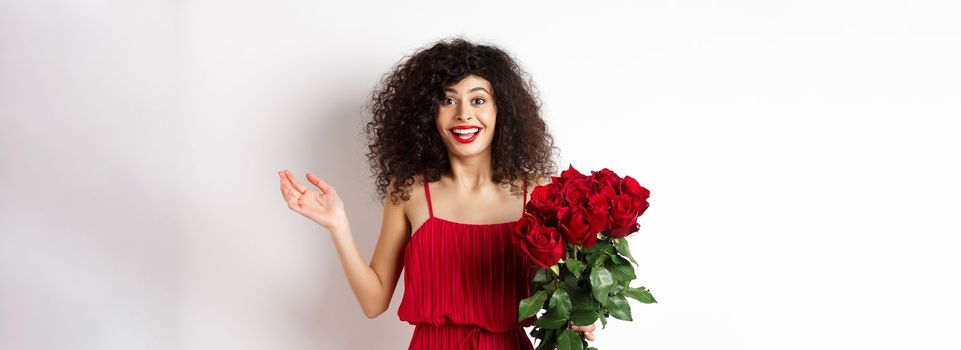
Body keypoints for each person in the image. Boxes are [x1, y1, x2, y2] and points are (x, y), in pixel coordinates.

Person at [278, 37, 598, 349]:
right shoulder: (408, 191)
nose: (463, 114)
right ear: (429, 112)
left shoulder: (539, 193)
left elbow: (566, 291)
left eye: (477, 100)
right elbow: (374, 303)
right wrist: (338, 225)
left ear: (502, 109)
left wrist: (581, 314)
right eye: (448, 100)